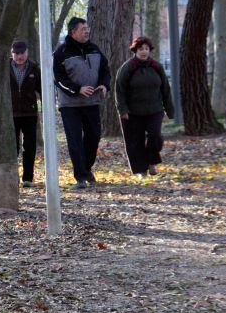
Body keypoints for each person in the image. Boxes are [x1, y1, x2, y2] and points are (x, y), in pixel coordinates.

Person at [53, 17, 111, 189]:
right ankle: (80, 177)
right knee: (75, 140)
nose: (87, 31)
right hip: (70, 105)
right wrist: (77, 89)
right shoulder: (61, 52)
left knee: (94, 136)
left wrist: (104, 84)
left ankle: (86, 168)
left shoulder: (95, 49)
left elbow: (105, 70)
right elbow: (58, 79)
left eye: (87, 28)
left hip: (92, 102)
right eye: (83, 29)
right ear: (73, 32)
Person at [115, 37, 175, 179]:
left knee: (155, 136)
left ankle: (152, 161)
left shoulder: (156, 66)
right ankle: (141, 171)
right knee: (135, 141)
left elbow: (165, 89)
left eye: (146, 49)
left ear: (150, 50)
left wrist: (169, 110)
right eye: (141, 49)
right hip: (133, 112)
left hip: (154, 109)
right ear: (135, 50)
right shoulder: (128, 67)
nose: (144, 52)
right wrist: (122, 110)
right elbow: (119, 89)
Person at [9, 40, 42, 188]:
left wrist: (39, 97)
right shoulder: (5, 67)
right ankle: (11, 176)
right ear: (12, 53)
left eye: (22, 53)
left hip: (30, 113)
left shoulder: (34, 68)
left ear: (27, 53)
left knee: (29, 147)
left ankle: (28, 178)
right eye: (17, 53)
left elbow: (41, 88)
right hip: (11, 113)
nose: (20, 56)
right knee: (12, 147)